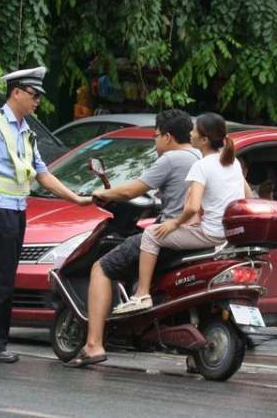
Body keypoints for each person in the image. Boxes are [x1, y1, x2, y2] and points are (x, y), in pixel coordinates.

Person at [0, 66, 91, 363]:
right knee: (0, 278)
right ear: (17, 92)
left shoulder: (26, 132)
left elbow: (43, 175)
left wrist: (75, 198)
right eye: (34, 95)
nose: (37, 101)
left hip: (16, 211)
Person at [65, 109, 201, 368]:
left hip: (169, 236)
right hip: (199, 237)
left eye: (156, 136)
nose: (155, 140)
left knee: (102, 268)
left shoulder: (171, 159)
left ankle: (93, 344)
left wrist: (101, 193)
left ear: (169, 137)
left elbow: (132, 190)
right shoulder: (201, 157)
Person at [113, 112, 253, 315]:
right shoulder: (233, 163)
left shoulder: (201, 165)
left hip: (211, 233)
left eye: (194, 130)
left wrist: (174, 223)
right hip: (227, 232)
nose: (190, 133)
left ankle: (141, 295)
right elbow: (247, 197)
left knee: (151, 235)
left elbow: (192, 208)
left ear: (204, 139)